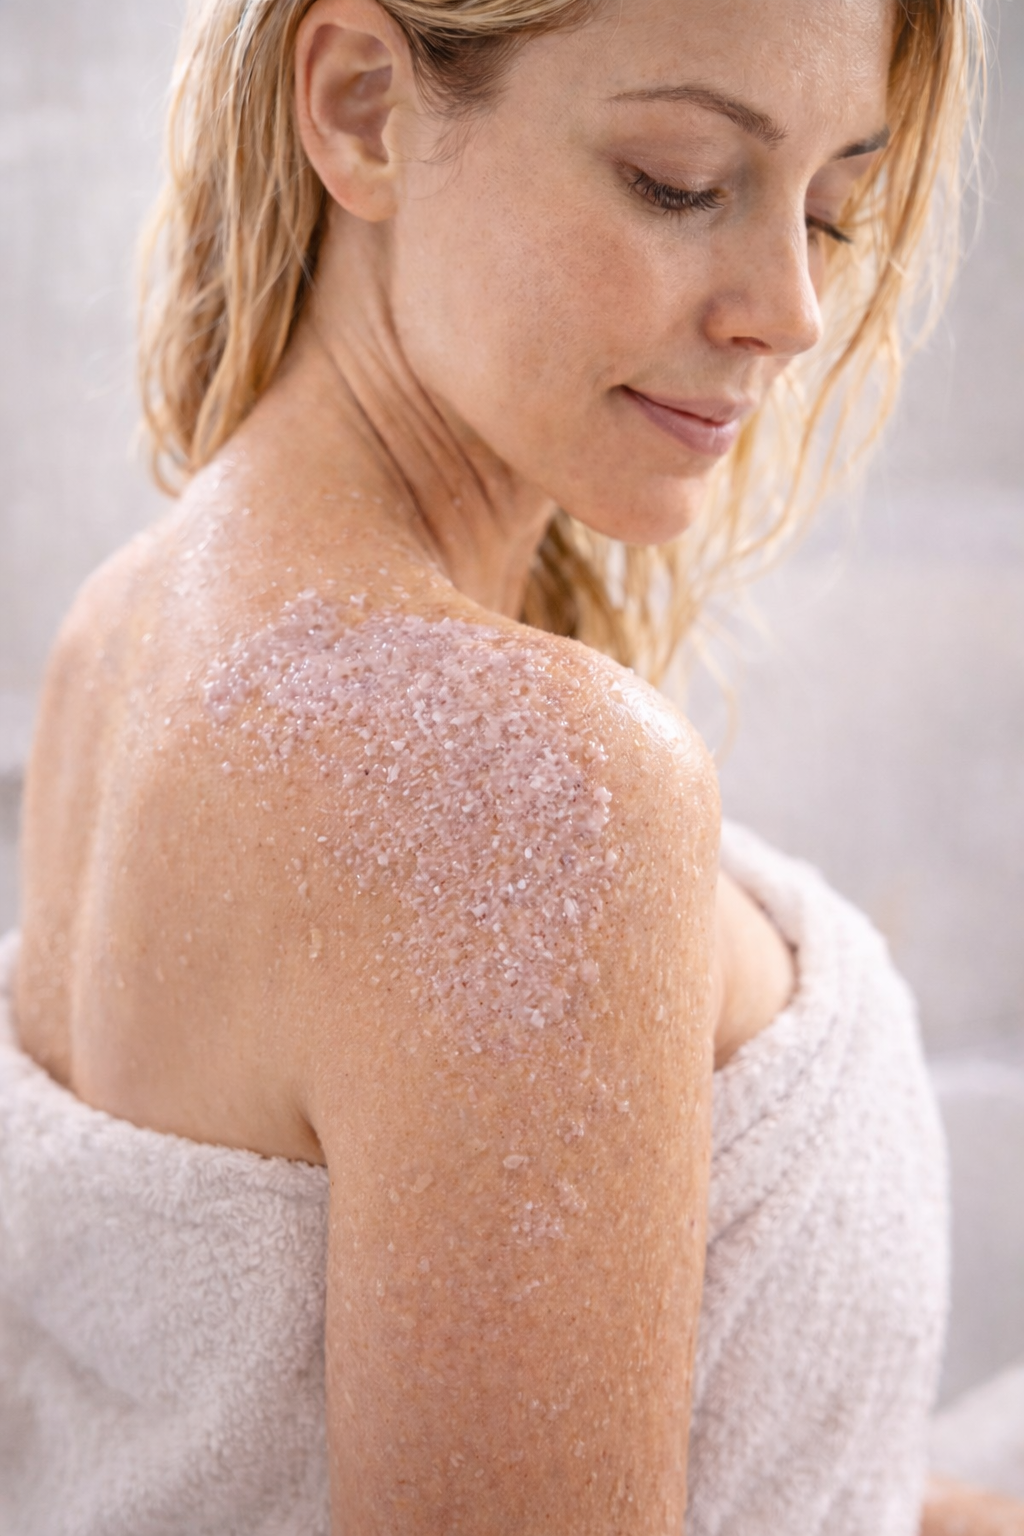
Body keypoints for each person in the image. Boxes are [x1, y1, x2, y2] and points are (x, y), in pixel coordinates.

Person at [1, 0, 1019, 1530]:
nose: (795, 307)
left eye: (833, 205)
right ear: (358, 106)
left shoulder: (128, 626)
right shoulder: (517, 796)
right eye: (682, 179)